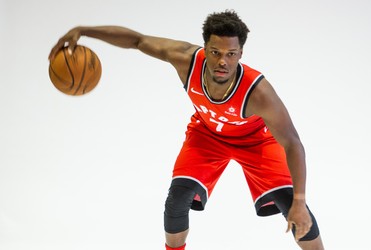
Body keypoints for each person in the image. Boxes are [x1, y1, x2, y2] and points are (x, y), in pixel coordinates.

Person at [49, 10, 324, 250]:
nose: (222, 62)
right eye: (215, 52)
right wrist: (83, 31)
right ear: (205, 48)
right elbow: (137, 40)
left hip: (256, 142)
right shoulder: (186, 60)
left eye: (231, 54)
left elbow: (292, 143)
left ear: (241, 53)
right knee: (177, 198)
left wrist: (300, 200)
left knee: (293, 206)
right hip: (207, 135)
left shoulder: (259, 92)